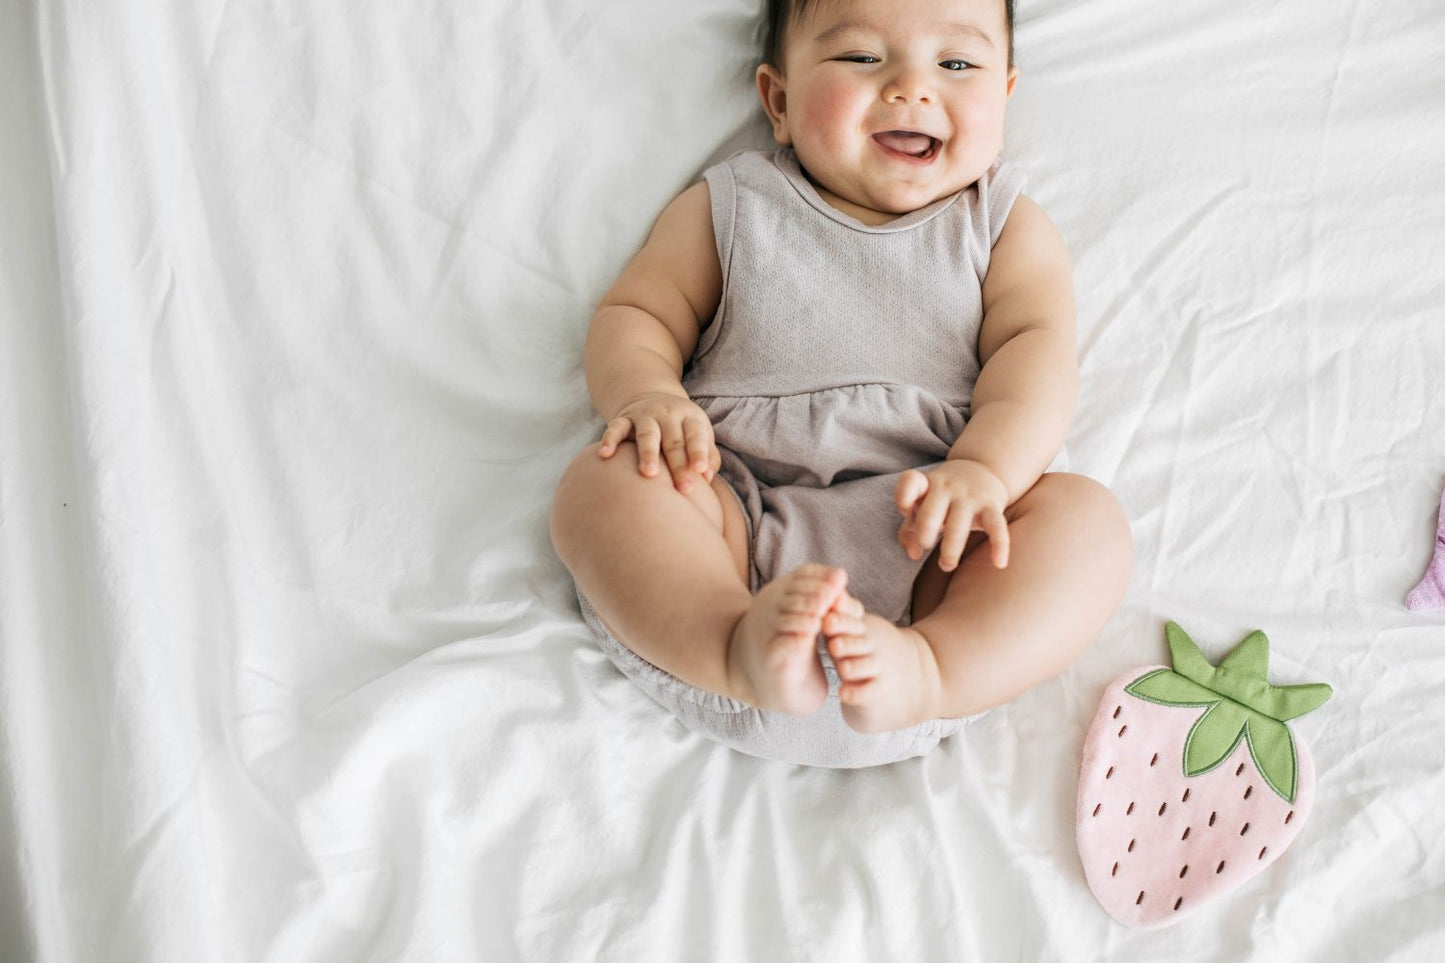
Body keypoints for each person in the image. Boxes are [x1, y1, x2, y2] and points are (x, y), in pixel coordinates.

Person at [549, 0, 1133, 764]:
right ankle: (732, 643)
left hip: (936, 542)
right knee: (603, 481)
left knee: (1086, 521)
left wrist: (985, 470)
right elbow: (638, 312)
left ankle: (932, 668)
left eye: (956, 64)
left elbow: (1036, 354)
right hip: (731, 513)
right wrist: (646, 395)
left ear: (1004, 96)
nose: (911, 88)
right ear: (778, 100)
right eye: (861, 57)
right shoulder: (732, 203)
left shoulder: (1000, 224)